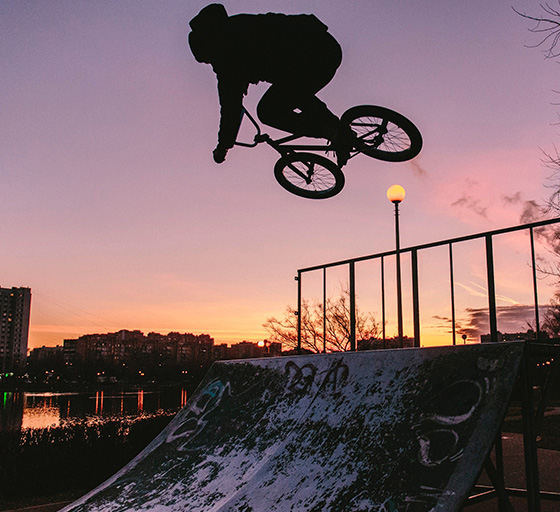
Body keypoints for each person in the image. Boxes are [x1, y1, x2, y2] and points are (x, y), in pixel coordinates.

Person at [188, 3, 355, 166]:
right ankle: (339, 131)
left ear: (210, 46)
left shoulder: (228, 57)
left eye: (208, 60)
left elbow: (230, 107)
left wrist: (223, 147)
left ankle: (332, 132)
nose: (212, 64)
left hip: (312, 57)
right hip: (325, 47)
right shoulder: (239, 25)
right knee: (292, 93)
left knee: (268, 110)